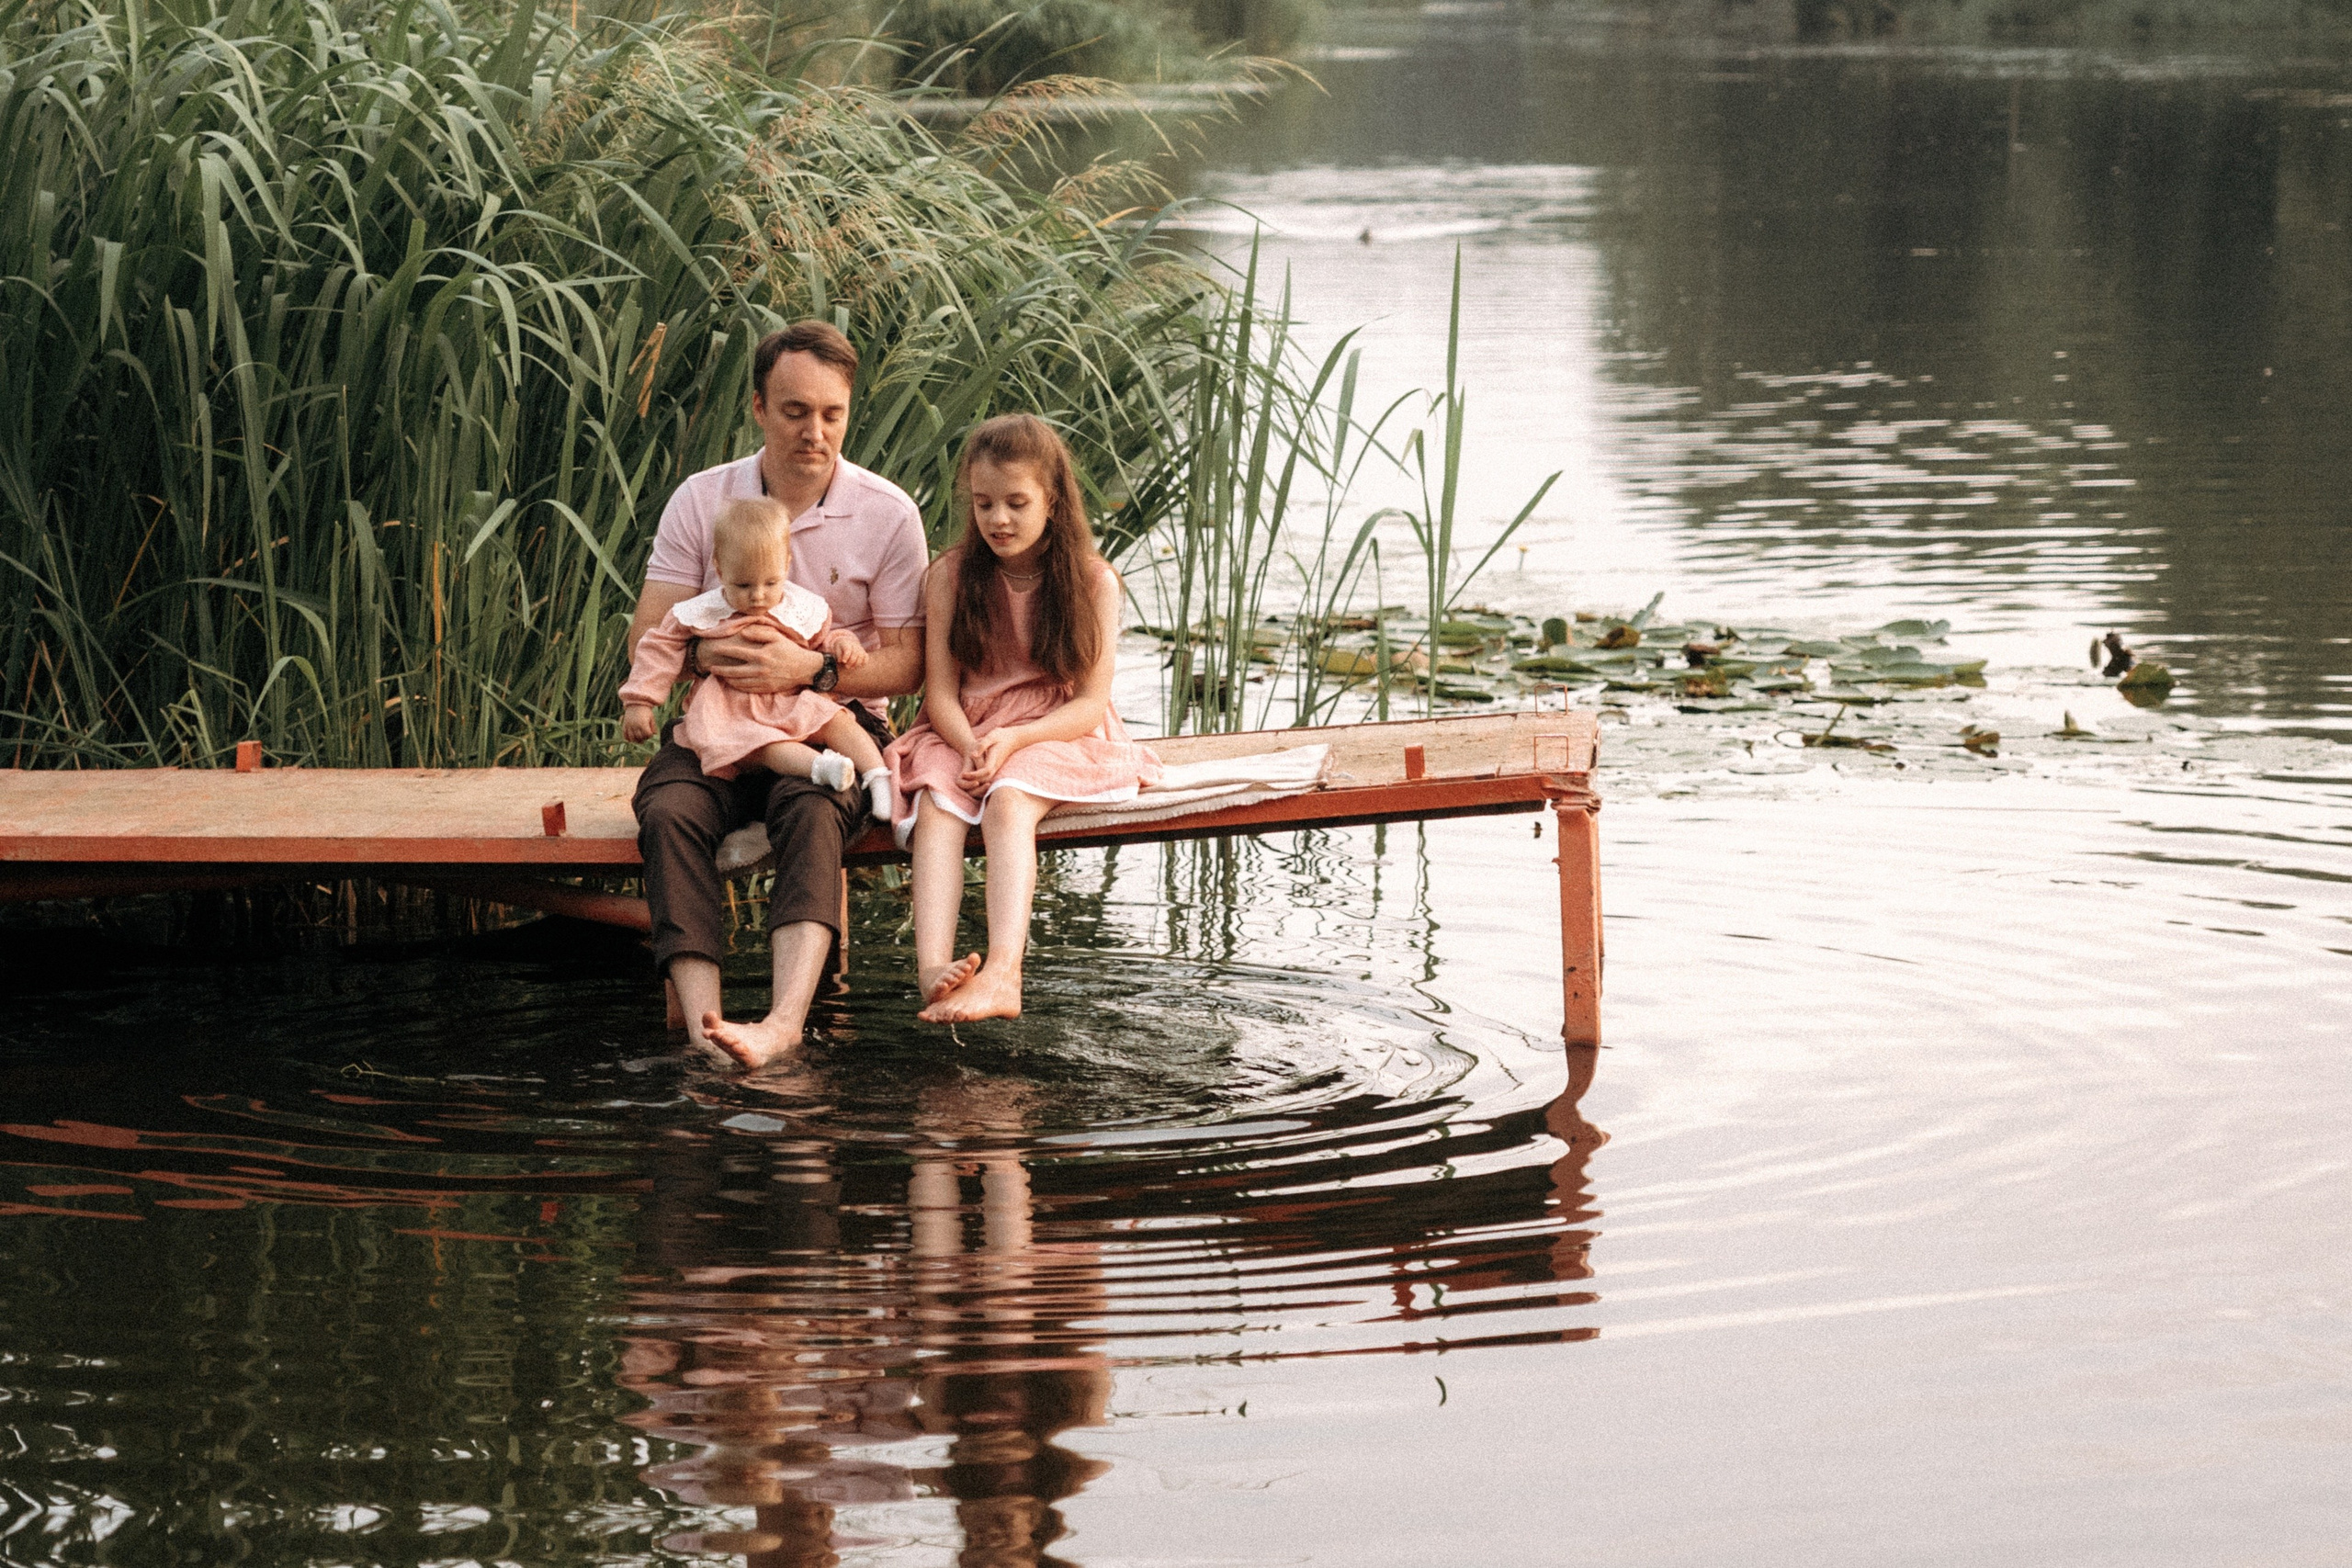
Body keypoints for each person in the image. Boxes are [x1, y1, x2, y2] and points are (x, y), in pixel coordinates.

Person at [628, 321, 926, 1069]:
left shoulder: (889, 514)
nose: (814, 432)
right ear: (758, 407)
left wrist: (811, 672)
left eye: (832, 414)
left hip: (832, 720)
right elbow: (649, 630)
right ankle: (705, 1031)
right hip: (719, 719)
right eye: (795, 411)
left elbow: (909, 664)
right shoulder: (703, 500)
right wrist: (709, 650)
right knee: (667, 808)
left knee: (815, 807)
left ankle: (784, 1025)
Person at [886, 413, 1161, 1023]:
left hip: (1055, 726)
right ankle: (933, 967)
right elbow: (941, 694)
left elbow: (1089, 703)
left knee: (1009, 798)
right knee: (937, 798)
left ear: (1053, 501)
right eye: (984, 504)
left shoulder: (1093, 581)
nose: (998, 519)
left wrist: (1014, 740)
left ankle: (1005, 972)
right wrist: (969, 746)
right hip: (965, 727)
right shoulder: (950, 575)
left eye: (1016, 502)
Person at [620, 495, 892, 821]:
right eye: (744, 584)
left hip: (792, 700)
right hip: (733, 712)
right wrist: (639, 702)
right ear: (719, 568)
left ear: (786, 564)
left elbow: (823, 638)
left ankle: (879, 778)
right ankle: (821, 768)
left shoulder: (797, 606)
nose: (759, 595)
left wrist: (845, 644)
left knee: (838, 721)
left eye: (771, 582)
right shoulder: (702, 613)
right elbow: (657, 649)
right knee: (761, 746)